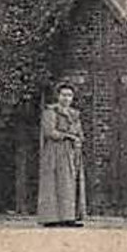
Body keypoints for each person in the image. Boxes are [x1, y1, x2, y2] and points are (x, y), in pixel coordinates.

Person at [37, 82, 87, 228]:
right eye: (63, 95)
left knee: (71, 183)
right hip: (55, 151)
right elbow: (50, 132)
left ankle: (69, 216)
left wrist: (78, 139)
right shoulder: (50, 112)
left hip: (72, 151)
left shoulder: (74, 114)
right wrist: (69, 137)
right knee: (57, 182)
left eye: (69, 95)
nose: (66, 98)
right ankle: (52, 217)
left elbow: (79, 132)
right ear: (58, 96)